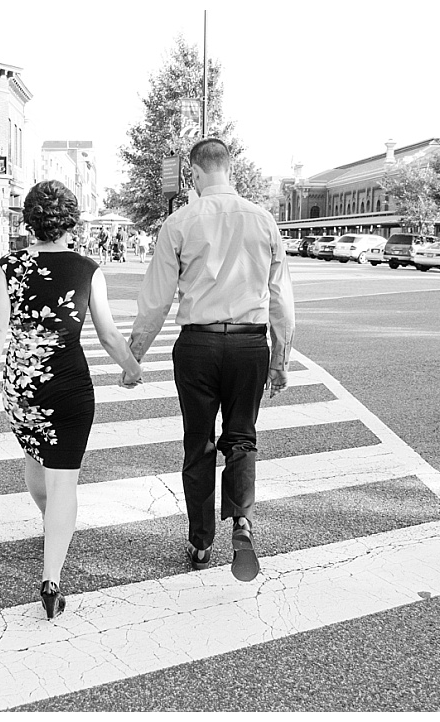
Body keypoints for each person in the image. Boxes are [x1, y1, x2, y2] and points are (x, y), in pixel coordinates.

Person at [0, 180, 143, 620]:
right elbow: (107, 334)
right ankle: (51, 579)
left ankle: (53, 525)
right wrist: (131, 367)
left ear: (29, 221)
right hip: (69, 384)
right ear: (72, 221)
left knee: (35, 461)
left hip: (23, 386)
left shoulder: (8, 266)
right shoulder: (88, 269)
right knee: (65, 479)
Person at [128, 138, 295, 583]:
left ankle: (201, 541)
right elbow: (281, 300)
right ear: (229, 169)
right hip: (248, 344)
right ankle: (240, 518)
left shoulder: (179, 223)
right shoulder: (264, 221)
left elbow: (156, 300)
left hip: (198, 345)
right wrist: (281, 358)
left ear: (195, 175)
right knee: (242, 436)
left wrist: (134, 356)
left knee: (198, 443)